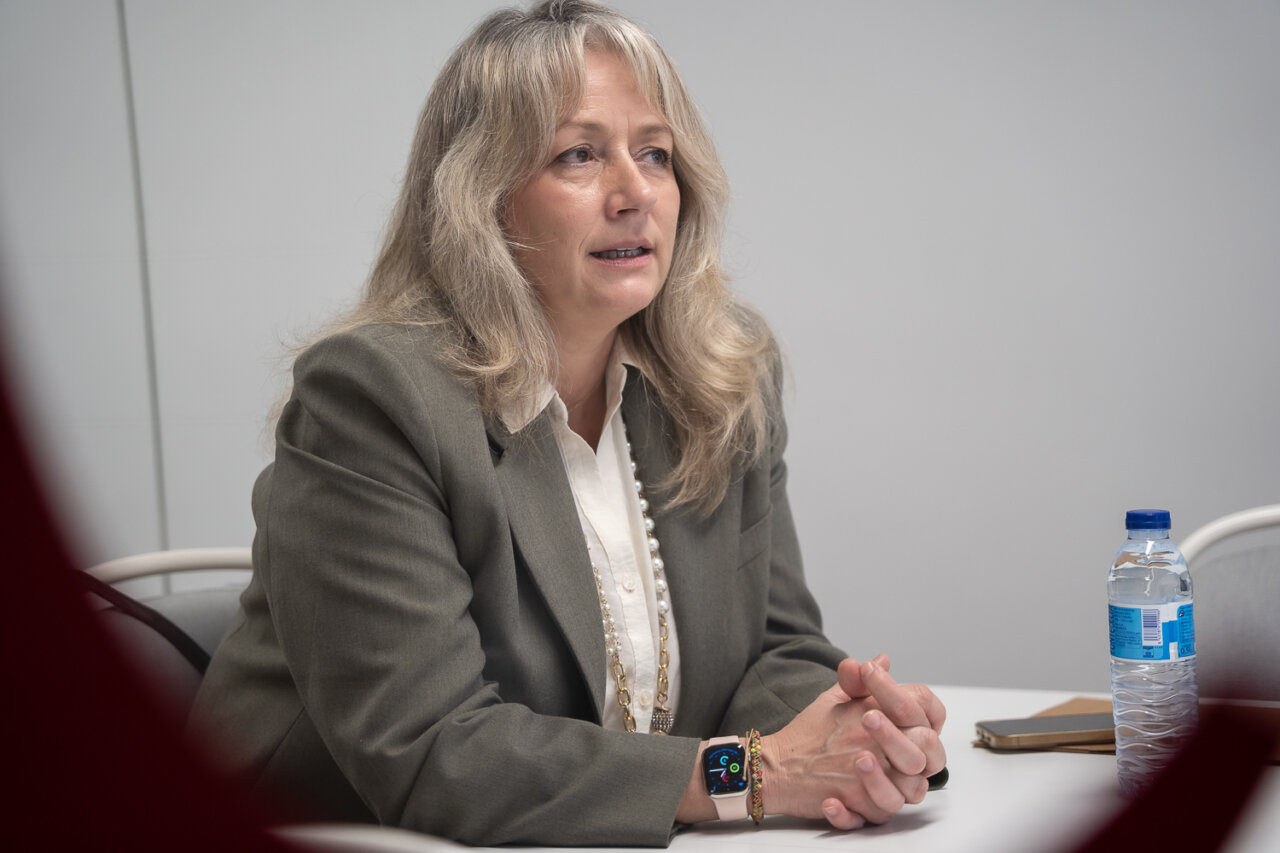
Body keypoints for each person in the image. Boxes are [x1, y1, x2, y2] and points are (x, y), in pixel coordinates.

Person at [190, 1, 946, 846]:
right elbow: (433, 751)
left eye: (655, 154)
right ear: (478, 197)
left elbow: (778, 647)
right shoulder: (373, 398)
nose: (635, 194)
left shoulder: (728, 377)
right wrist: (756, 774)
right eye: (578, 155)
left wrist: (859, 738)